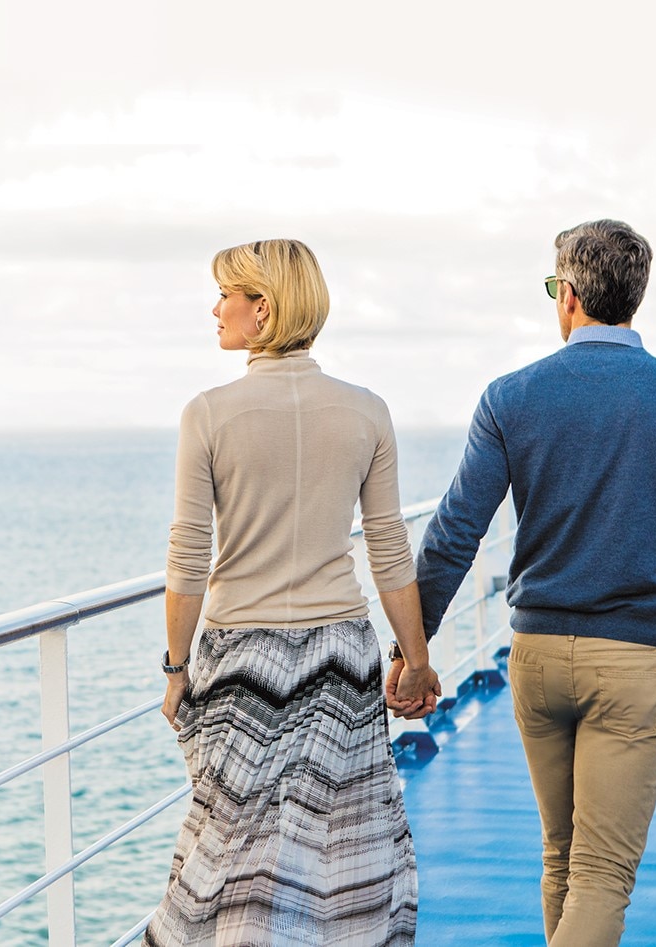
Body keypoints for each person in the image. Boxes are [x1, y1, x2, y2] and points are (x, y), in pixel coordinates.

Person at [414, 219, 656, 947]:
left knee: (563, 857)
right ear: (634, 299)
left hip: (535, 658)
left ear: (568, 296)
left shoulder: (511, 396)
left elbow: (455, 530)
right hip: (634, 663)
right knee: (602, 877)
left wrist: (414, 645)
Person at [147, 239, 440, 947]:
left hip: (239, 662)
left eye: (226, 295)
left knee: (231, 858)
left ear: (264, 309)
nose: (215, 308)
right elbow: (389, 550)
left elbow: (189, 557)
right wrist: (417, 658)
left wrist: (175, 666)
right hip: (342, 658)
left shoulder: (209, 413)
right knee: (335, 856)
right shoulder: (366, 411)